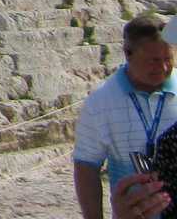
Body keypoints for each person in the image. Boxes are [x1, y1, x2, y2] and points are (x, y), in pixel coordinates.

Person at [74, 13, 177, 217]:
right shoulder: (100, 103)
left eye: (168, 59)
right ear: (128, 53)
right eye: (154, 61)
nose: (163, 67)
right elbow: (86, 166)